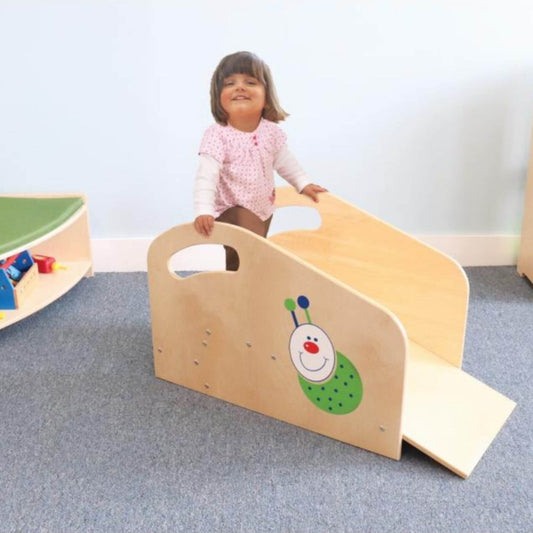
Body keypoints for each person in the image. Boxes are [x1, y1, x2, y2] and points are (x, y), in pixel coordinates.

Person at [193, 51, 326, 270]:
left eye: (250, 82)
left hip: (263, 208)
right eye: (230, 83)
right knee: (249, 251)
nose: (240, 87)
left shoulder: (270, 133)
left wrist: (303, 183)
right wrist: (203, 210)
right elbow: (206, 176)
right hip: (232, 209)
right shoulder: (218, 135)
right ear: (218, 96)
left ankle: (241, 288)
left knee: (245, 255)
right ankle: (245, 289)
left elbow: (285, 161)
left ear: (266, 96)